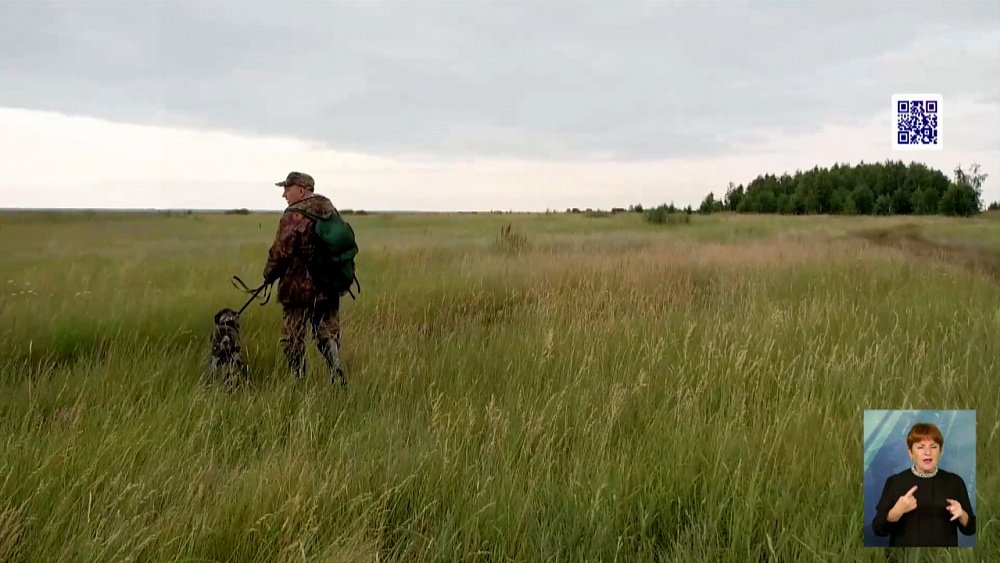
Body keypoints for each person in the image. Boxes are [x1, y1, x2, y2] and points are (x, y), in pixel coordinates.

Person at [263, 171, 347, 386]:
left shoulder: (293, 214)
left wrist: (268, 275)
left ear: (301, 190)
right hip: (329, 286)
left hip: (297, 289)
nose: (284, 195)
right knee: (327, 332)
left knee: (292, 337)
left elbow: (281, 251)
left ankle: (299, 381)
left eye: (287, 189)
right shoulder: (330, 209)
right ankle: (335, 370)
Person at [871, 422, 975, 547]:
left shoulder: (955, 482)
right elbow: (877, 530)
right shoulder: (895, 482)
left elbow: (971, 530)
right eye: (920, 447)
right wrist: (895, 512)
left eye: (933, 447)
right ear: (910, 453)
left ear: (940, 451)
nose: (927, 452)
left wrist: (962, 514)